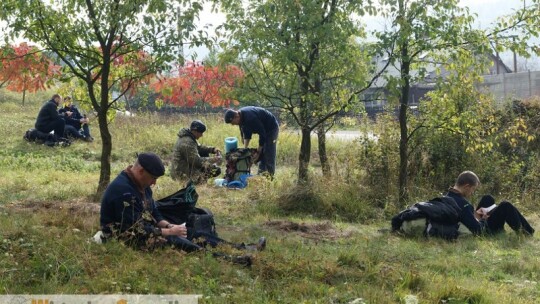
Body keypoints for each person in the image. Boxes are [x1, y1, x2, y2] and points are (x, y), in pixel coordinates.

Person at [100, 152, 263, 266]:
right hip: (124, 237)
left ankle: (245, 248)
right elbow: (138, 230)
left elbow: (154, 210)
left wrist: (168, 225)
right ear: (141, 171)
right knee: (178, 241)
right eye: (153, 178)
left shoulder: (140, 183)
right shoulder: (124, 192)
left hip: (145, 228)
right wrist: (170, 233)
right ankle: (230, 260)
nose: (154, 183)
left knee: (193, 233)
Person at [446, 171, 534, 236]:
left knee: (488, 198)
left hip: (470, 221)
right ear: (467, 186)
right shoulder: (463, 205)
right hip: (483, 231)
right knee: (505, 205)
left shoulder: (448, 196)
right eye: (473, 189)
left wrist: (475, 213)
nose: (472, 193)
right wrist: (483, 219)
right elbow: (478, 231)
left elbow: (465, 215)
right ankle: (527, 233)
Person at [224, 106, 279, 176]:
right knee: (262, 155)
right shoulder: (241, 118)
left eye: (232, 123)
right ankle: (261, 175)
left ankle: (270, 176)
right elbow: (246, 134)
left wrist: (258, 152)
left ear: (236, 116)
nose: (233, 125)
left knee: (268, 152)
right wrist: (245, 150)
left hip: (271, 128)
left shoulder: (250, 118)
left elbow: (262, 134)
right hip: (264, 130)